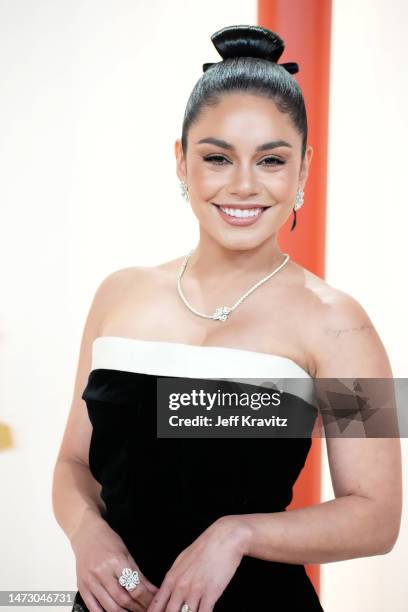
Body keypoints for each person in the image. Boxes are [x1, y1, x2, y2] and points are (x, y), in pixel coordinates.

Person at [52, 24, 402, 612]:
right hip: (114, 602)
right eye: (217, 157)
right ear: (181, 162)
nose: (243, 185)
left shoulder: (344, 324)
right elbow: (71, 462)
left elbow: (379, 516)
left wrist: (238, 533)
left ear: (304, 170)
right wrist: (87, 533)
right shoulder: (116, 296)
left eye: (271, 160)